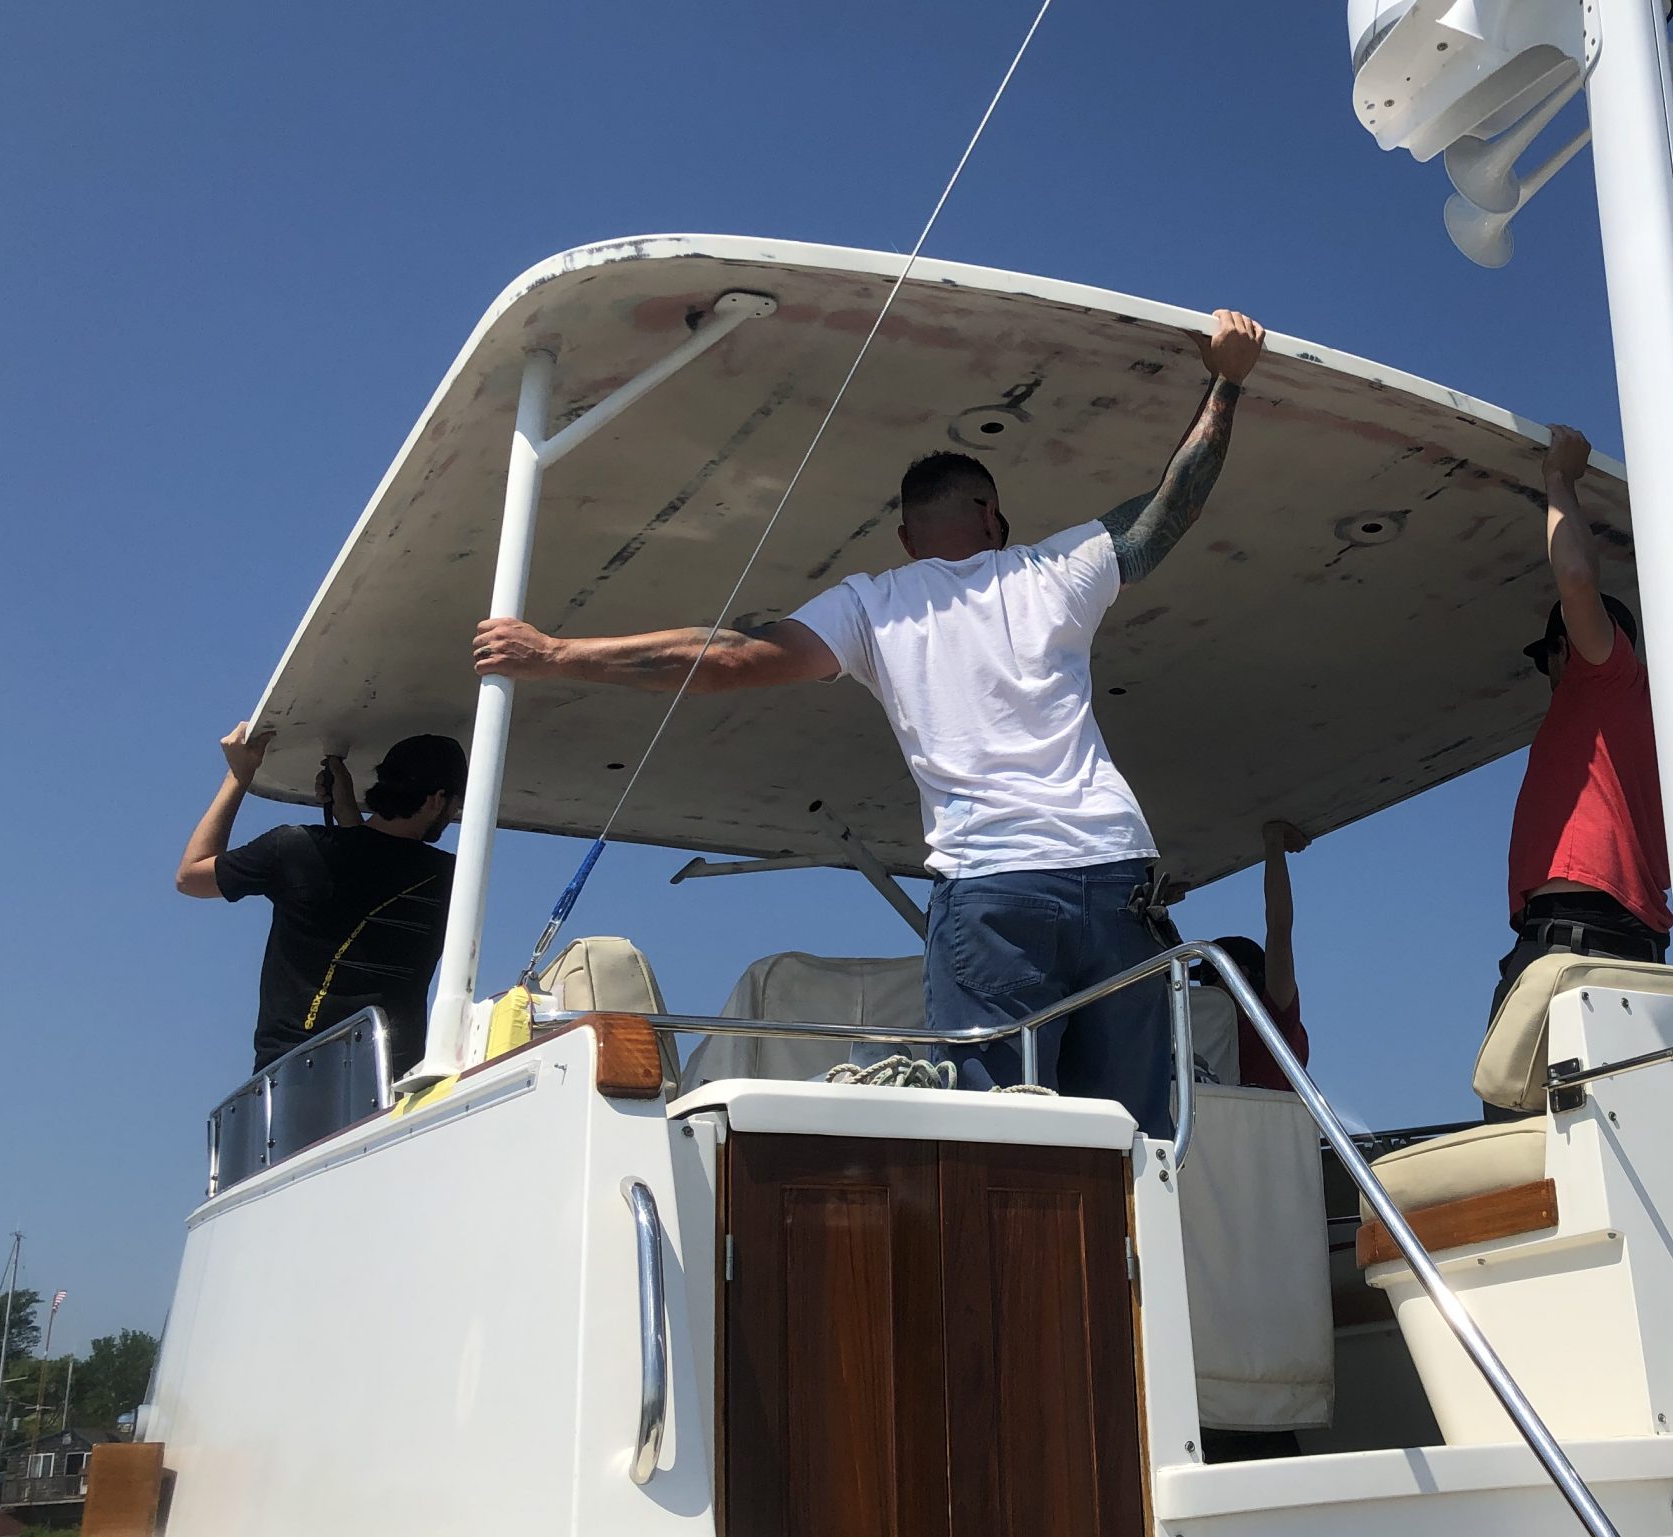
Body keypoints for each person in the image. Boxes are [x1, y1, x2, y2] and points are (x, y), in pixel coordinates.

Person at [471, 310, 1271, 1137]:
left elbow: (726, 659)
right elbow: (1171, 506)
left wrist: (554, 653)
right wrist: (1227, 381)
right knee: (1133, 1136)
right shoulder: (1054, 570)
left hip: (996, 891)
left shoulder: (873, 604)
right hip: (1115, 879)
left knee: (1003, 1135)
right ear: (992, 515)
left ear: (905, 537)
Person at [1495, 423, 1672, 1018]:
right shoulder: (1651, 721)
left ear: (1565, 648)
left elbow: (1575, 578)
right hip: (1626, 944)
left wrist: (1559, 479)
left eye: (1547, 658)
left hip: (1576, 939)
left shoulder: (1605, 676)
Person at [176, 726, 468, 1078]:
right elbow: (381, 872)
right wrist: (347, 814)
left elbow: (191, 876)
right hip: (391, 1083)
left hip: (289, 1079)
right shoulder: (452, 880)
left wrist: (239, 775)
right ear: (437, 800)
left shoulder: (294, 848)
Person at [1196, 820, 1312, 1092]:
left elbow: (1279, 930)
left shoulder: (1274, 1020)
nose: (1204, 986)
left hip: (1263, 1119)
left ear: (1241, 975)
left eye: (1209, 976)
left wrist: (1274, 844)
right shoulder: (1211, 1036)